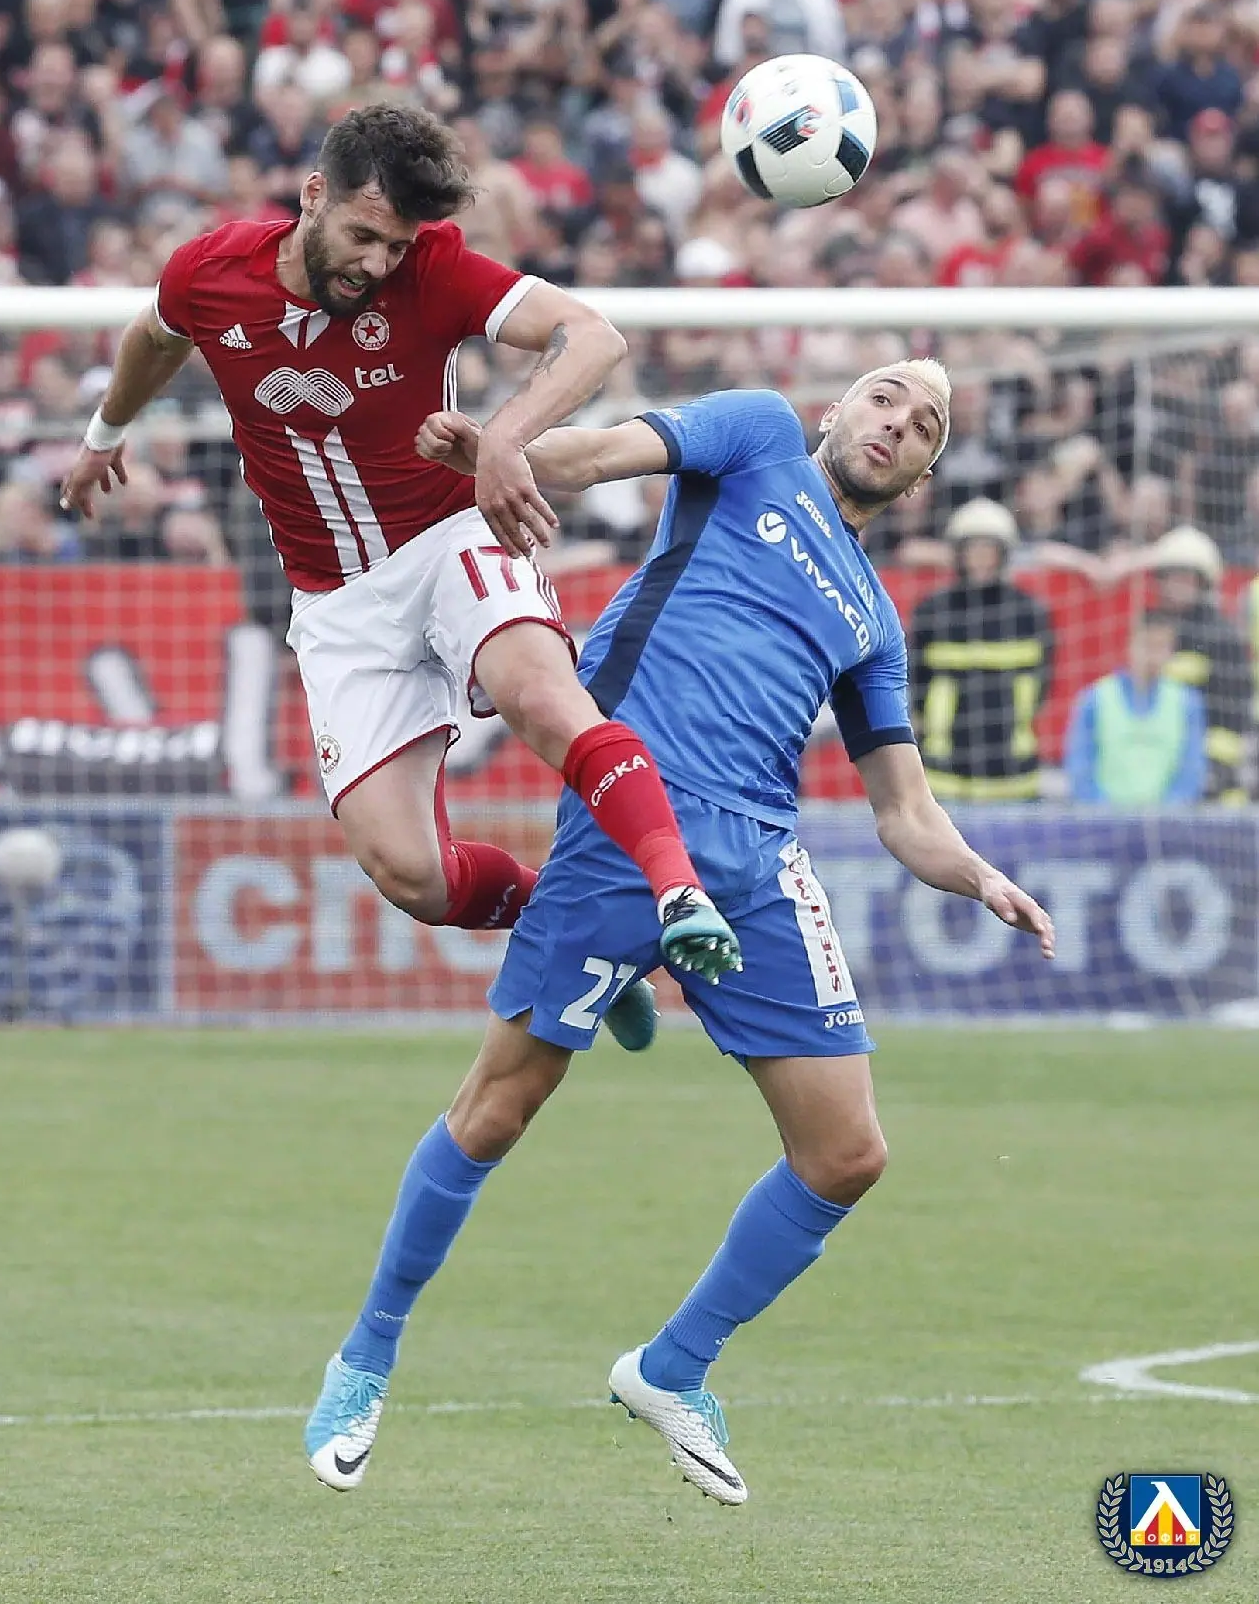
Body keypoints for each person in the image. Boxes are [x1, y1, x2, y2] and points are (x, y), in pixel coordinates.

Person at [302, 361, 1056, 1503]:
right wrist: (504, 454)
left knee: (847, 1155)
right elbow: (600, 453)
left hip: (759, 857)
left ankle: (672, 1368)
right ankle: (364, 1358)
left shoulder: (873, 619)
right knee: (496, 1110)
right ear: (835, 410)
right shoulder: (754, 436)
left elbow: (904, 811)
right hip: (629, 811)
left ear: (920, 481)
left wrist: (983, 877)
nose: (898, 423)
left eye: (924, 427)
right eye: (885, 397)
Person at [57, 103, 740, 1041]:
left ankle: (677, 896)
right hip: (335, 600)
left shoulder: (435, 270)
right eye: (364, 235)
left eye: (396, 245)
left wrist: (501, 440)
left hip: (450, 536)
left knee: (543, 698)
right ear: (313, 196)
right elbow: (154, 338)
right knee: (410, 874)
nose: (378, 263)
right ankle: (566, 926)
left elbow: (592, 335)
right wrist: (106, 433)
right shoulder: (209, 272)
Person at [909, 499, 1054, 802]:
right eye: (972, 548)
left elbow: (1043, 682)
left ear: (1004, 553)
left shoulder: (1029, 613)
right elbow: (915, 680)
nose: (980, 558)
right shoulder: (932, 612)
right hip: (944, 773)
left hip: (1013, 773)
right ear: (958, 553)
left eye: (988, 549)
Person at [1146, 524, 1252, 802]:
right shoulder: (1151, 629)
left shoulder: (1221, 637)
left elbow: (1232, 715)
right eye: (1171, 577)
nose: (1177, 586)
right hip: (1158, 770)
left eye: (1186, 578)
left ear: (1202, 583)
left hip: (1211, 778)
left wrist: (1214, 772)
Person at [1064, 613, 1206, 805]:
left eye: (1161, 647)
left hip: (1167, 820)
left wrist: (1166, 811)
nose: (1153, 657)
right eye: (1147, 645)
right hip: (1104, 819)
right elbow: (1080, 769)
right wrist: (1105, 811)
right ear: (1129, 645)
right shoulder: (1095, 699)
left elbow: (1191, 771)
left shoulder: (1186, 702)